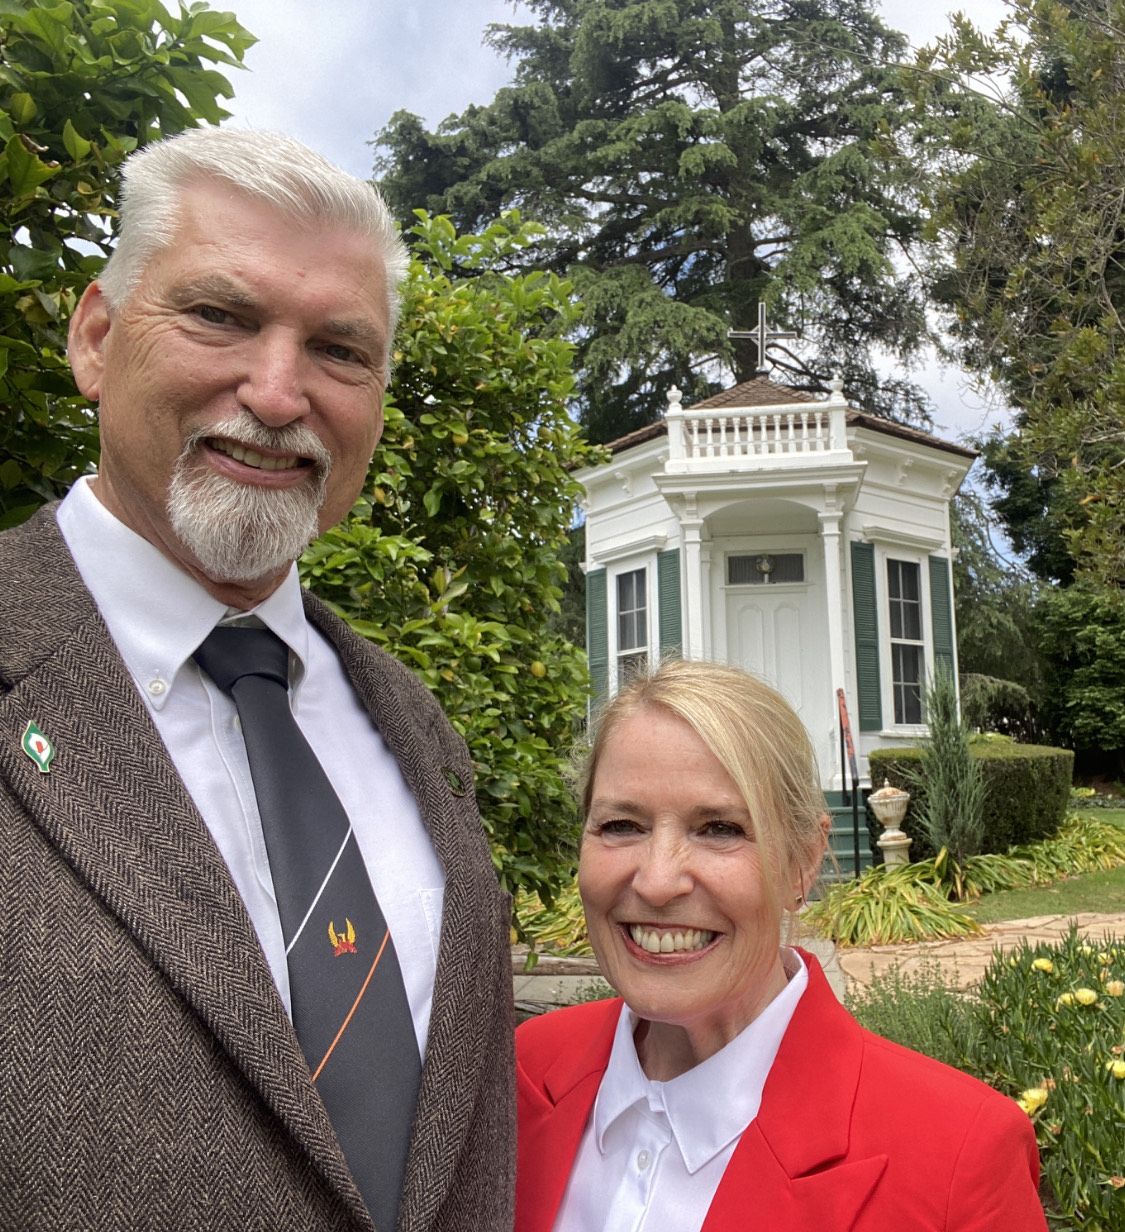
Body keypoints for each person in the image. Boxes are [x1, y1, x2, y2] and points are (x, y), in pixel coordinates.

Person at [0, 128, 513, 1232]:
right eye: (220, 316)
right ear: (95, 337)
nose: (278, 394)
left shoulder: (415, 729)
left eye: (339, 349)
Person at [515, 660, 1047, 1232]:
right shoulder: (524, 1069)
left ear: (803, 862)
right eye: (621, 825)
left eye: (719, 829)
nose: (657, 881)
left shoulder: (957, 1158)